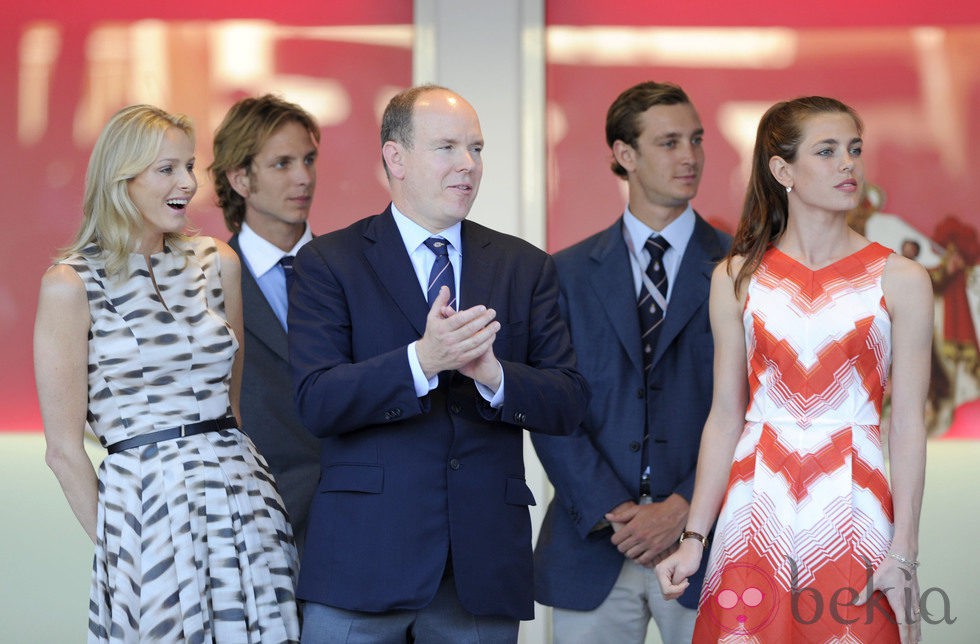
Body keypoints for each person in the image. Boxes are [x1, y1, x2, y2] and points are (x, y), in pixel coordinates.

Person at [288, 84, 589, 642]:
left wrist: (493, 376)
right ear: (394, 157)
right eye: (447, 147)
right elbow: (317, 400)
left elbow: (568, 401)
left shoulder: (524, 266)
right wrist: (422, 361)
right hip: (362, 560)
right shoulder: (329, 263)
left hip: (479, 567)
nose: (468, 165)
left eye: (476, 148)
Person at [656, 96, 930, 644]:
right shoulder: (735, 277)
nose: (847, 164)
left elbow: (907, 425)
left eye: (853, 149)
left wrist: (904, 552)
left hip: (856, 504)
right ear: (782, 170)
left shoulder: (901, 279)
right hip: (755, 506)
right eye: (826, 152)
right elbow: (726, 417)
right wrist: (693, 537)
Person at [34, 104, 299, 642]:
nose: (187, 183)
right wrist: (120, 546)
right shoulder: (70, 283)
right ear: (120, 180)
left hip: (243, 504)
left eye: (189, 167)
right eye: (167, 169)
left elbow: (234, 409)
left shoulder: (217, 261)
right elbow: (62, 449)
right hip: (144, 513)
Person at [531, 81, 730, 644]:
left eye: (696, 139)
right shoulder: (562, 274)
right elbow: (549, 408)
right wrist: (614, 509)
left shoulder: (742, 268)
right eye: (669, 142)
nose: (689, 156)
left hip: (707, 546)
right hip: (593, 543)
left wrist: (684, 507)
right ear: (625, 155)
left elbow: (757, 404)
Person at [210, 94, 321, 555]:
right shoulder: (205, 285)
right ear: (240, 178)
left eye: (309, 159)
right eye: (282, 164)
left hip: (361, 528)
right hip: (251, 529)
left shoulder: (358, 270)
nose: (304, 177)